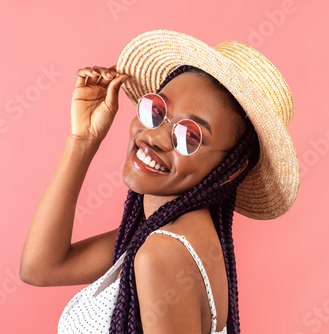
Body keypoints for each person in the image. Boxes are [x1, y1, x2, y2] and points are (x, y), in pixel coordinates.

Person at [20, 30, 300, 334]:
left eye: (189, 136)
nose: (154, 137)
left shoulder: (164, 253)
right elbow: (42, 268)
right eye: (157, 110)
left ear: (232, 168)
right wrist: (83, 139)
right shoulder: (159, 234)